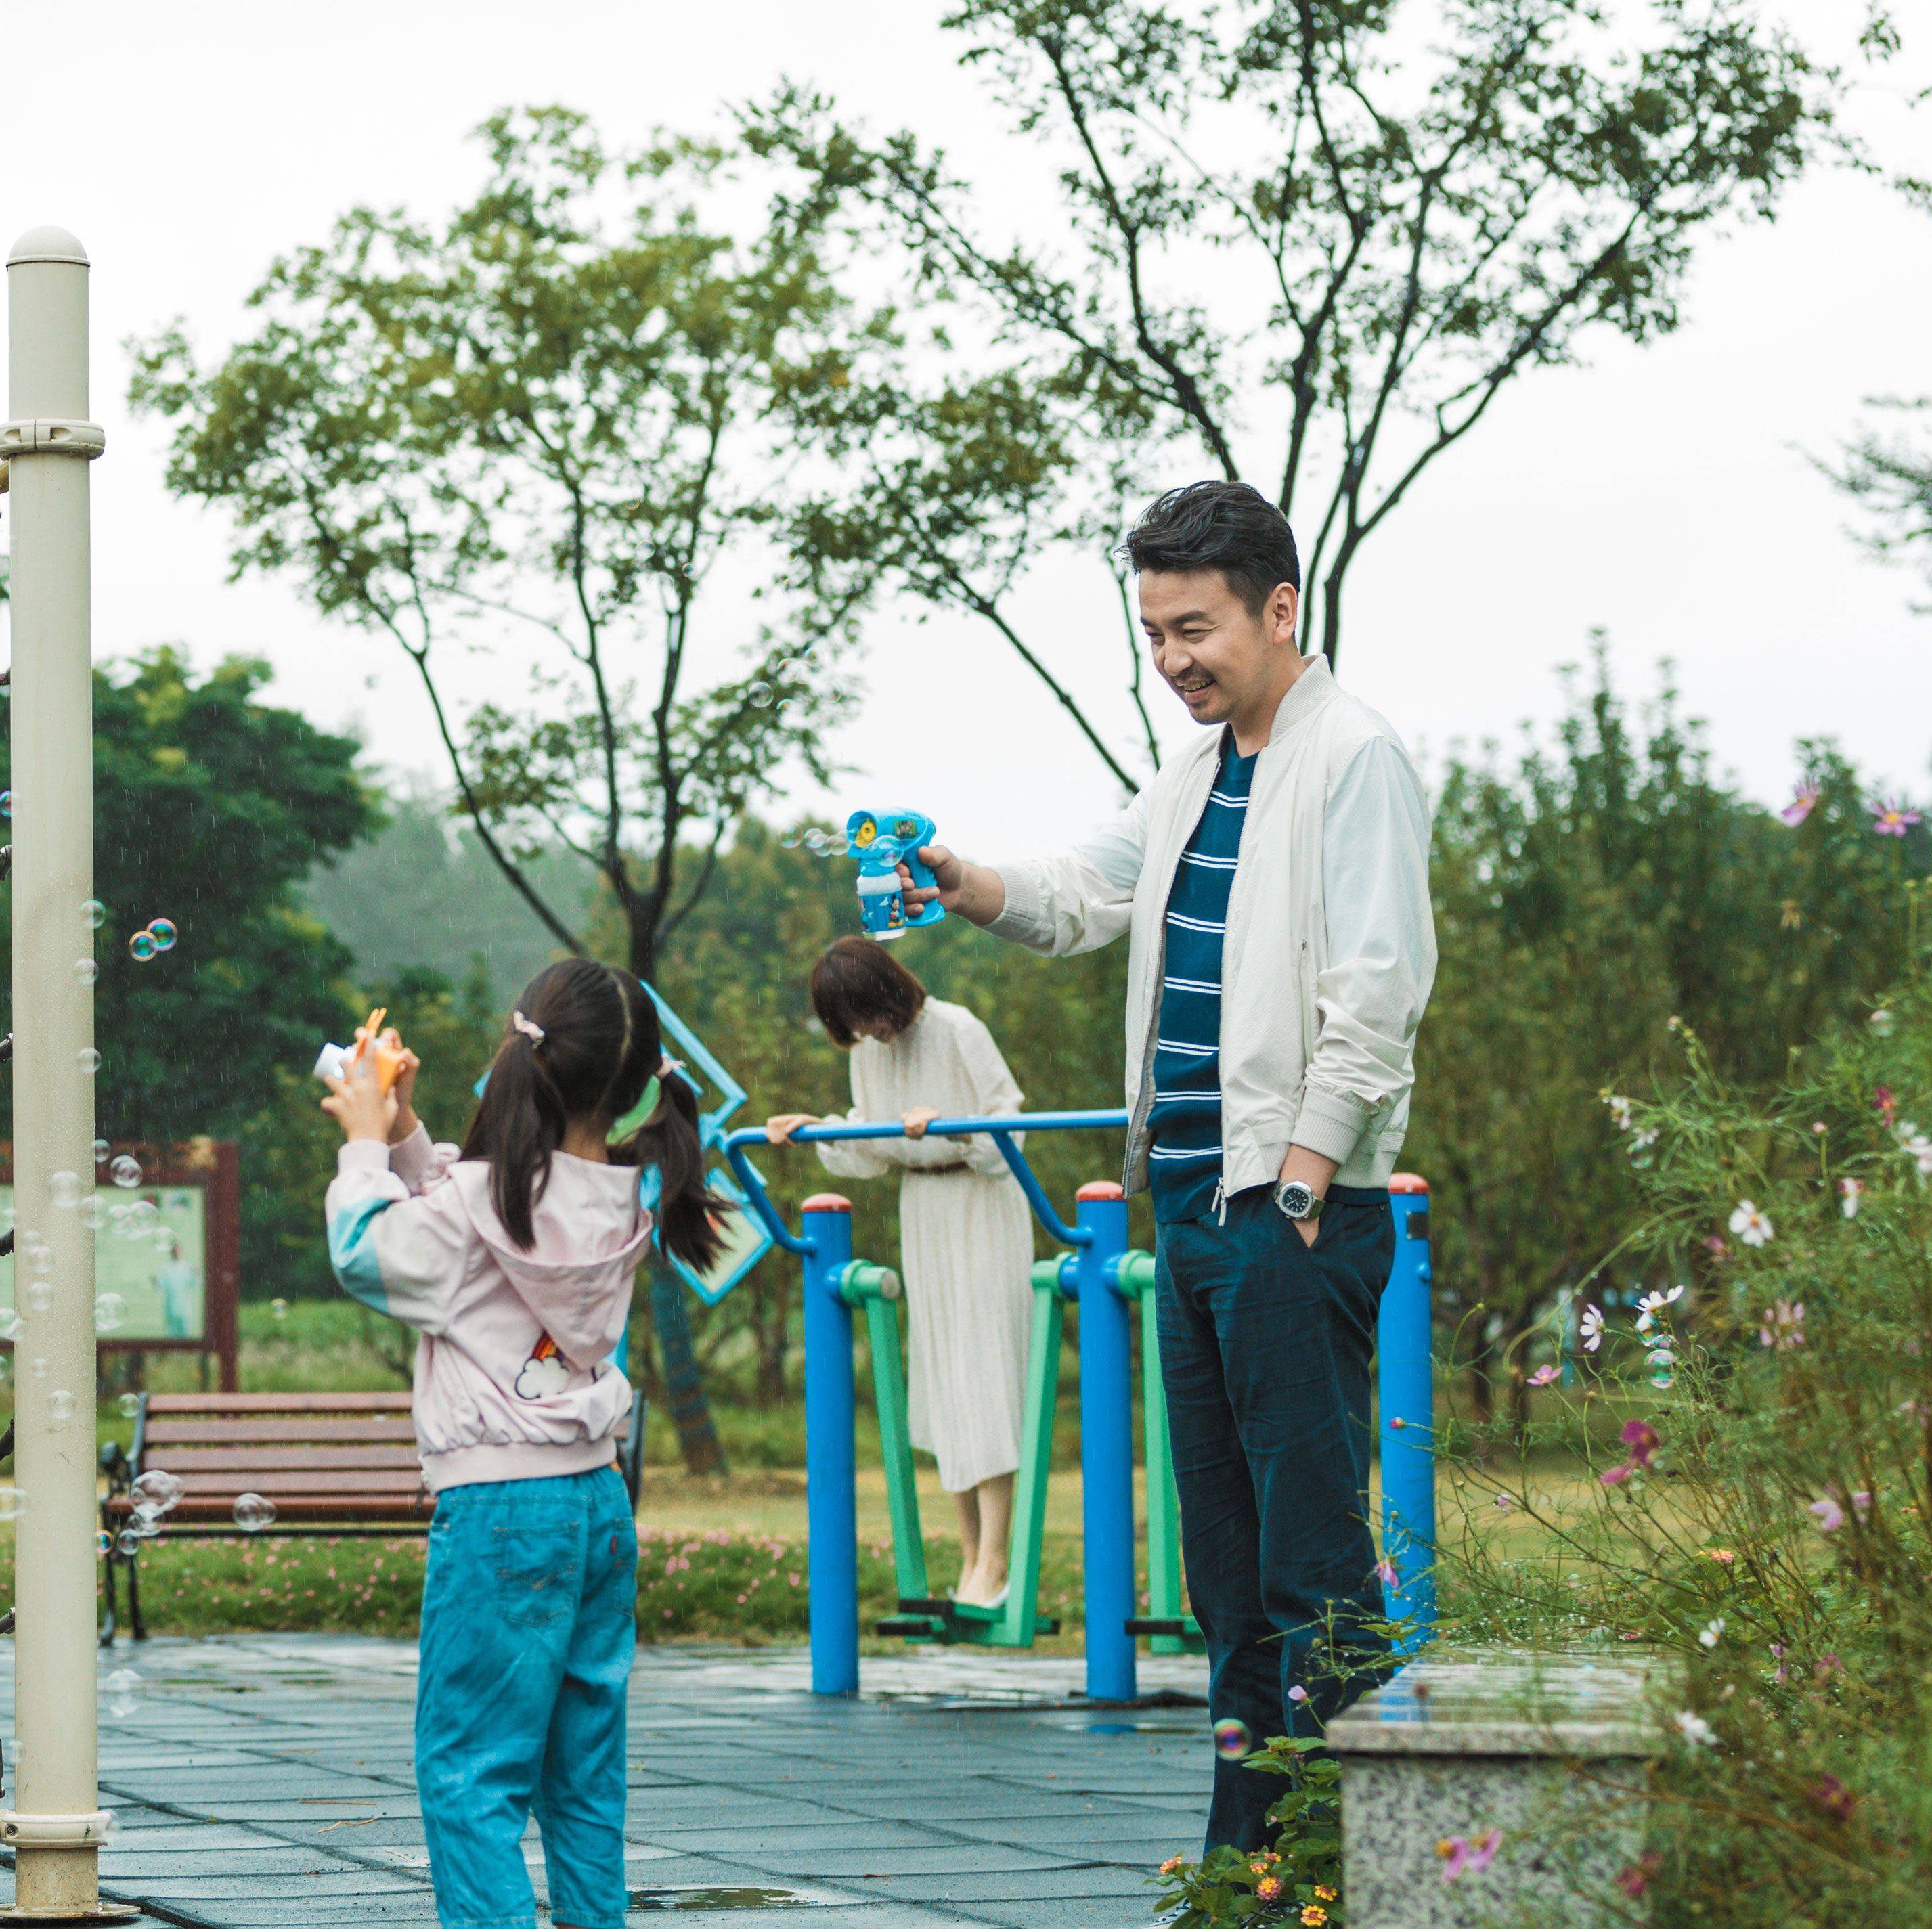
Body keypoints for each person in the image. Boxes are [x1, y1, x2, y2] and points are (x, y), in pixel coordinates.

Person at [904, 480, 1435, 1853]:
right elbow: (1087, 891)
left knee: (1315, 1579)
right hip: (1193, 1210)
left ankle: (1337, 1868)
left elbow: (1377, 993)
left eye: (1194, 628)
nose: (1174, 659)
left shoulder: (1354, 757)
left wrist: (1305, 1187)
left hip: (1286, 1213)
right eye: (1151, 633)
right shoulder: (1193, 772)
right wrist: (964, 882)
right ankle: (1243, 1877)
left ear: (1278, 607)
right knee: (1229, 1581)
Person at [320, 958, 728, 1929]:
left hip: (503, 1513)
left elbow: (367, 1251)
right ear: (629, 1087)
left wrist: (366, 1145)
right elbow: (475, 1219)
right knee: (582, 1785)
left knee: (469, 1779)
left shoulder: (480, 1208)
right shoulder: (624, 1190)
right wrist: (412, 1135)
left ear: (523, 1054)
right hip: (594, 1505)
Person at [762, 935, 1033, 1608]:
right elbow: (872, 1146)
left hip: (980, 1202)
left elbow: (1010, 1133)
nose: (868, 1031)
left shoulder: (957, 1028)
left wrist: (954, 1127)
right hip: (926, 1212)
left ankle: (997, 1560)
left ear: (890, 990)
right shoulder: (867, 1052)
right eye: (851, 1023)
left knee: (986, 1374)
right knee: (942, 1375)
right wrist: (820, 1130)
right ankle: (969, 1554)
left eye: (870, 1014)